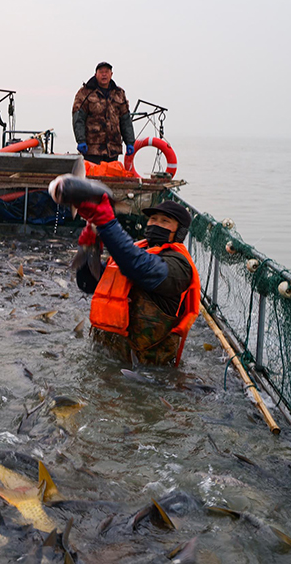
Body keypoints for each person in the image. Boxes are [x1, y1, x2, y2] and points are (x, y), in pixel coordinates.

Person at [75, 196, 200, 366]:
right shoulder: (135, 252)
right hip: (108, 355)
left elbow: (139, 267)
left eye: (165, 221)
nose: (156, 224)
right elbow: (88, 284)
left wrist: (108, 224)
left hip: (149, 370)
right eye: (153, 219)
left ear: (180, 232)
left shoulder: (178, 266)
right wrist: (89, 251)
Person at [72, 62, 135, 164]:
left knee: (111, 178)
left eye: (107, 72)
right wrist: (81, 140)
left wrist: (130, 142)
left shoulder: (119, 94)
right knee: (92, 179)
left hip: (113, 150)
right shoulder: (85, 93)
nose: (104, 74)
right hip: (92, 149)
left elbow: (125, 120)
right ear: (96, 74)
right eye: (101, 72)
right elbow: (78, 118)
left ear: (111, 74)